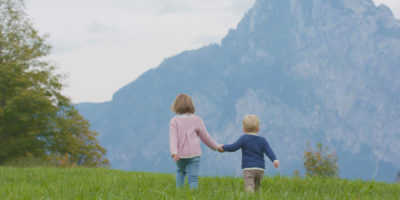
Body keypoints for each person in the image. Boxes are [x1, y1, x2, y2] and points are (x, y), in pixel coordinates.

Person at [169, 94, 220, 189]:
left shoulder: (174, 121)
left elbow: (173, 138)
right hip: (194, 154)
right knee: (193, 177)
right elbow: (206, 137)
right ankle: (194, 197)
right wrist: (216, 147)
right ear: (191, 105)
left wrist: (174, 152)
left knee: (180, 172)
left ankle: (179, 194)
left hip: (179, 155)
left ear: (176, 105)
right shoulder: (197, 120)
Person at [218, 114, 279, 192]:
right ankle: (258, 197)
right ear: (258, 129)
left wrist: (223, 147)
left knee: (249, 186)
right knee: (257, 186)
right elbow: (269, 151)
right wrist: (275, 160)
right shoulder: (263, 140)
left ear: (244, 129)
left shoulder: (244, 138)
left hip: (249, 168)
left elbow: (233, 147)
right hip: (260, 169)